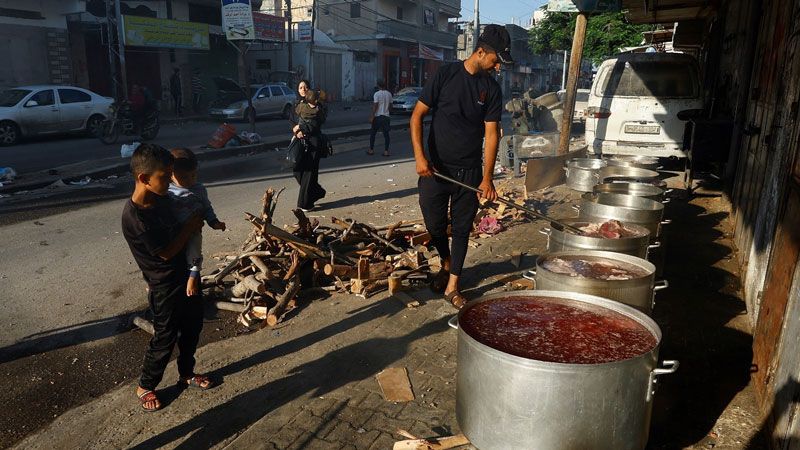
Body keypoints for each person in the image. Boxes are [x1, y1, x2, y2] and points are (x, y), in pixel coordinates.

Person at [410, 24, 512, 309]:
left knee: (463, 228)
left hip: (469, 171)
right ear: (481, 51)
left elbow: (491, 134)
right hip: (435, 169)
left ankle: (453, 284)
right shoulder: (445, 75)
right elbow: (417, 117)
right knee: (435, 224)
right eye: (495, 60)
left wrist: (488, 178)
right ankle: (445, 261)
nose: (497, 67)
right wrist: (420, 158)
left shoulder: (490, 89)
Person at [121, 143, 215, 412]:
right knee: (164, 337)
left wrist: (193, 272)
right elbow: (165, 252)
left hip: (185, 276)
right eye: (165, 176)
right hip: (164, 286)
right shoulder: (136, 217)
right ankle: (146, 386)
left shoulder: (162, 197)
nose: (171, 180)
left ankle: (186, 373)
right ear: (143, 178)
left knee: (193, 327)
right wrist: (189, 228)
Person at [167, 148, 226, 297]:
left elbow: (207, 208)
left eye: (193, 175)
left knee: (194, 251)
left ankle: (193, 278)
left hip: (193, 231)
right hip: (173, 233)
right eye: (185, 177)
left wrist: (214, 222)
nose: (190, 180)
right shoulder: (167, 191)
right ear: (171, 175)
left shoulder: (199, 189)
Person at [288, 79, 326, 211]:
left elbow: (317, 123)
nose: (303, 89)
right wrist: (296, 129)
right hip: (299, 140)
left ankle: (305, 204)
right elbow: (292, 120)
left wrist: (302, 128)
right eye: (300, 87)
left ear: (309, 89)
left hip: (313, 142)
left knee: (310, 172)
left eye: (305, 87)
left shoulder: (318, 105)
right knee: (297, 169)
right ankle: (317, 192)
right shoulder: (297, 104)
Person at [368, 80, 392, 156]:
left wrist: (372, 116)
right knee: (386, 134)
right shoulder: (389, 94)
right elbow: (391, 106)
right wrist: (388, 112)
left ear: (378, 85)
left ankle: (371, 150)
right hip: (386, 116)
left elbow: (375, 105)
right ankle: (386, 151)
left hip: (378, 116)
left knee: (373, 133)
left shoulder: (376, 94)